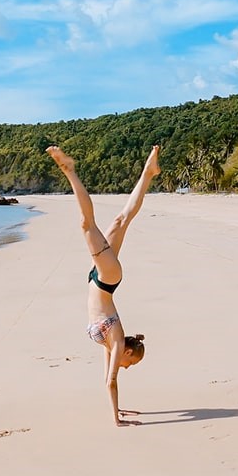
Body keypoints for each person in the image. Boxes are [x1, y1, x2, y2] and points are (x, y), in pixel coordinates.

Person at [46, 144, 160, 426]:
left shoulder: (112, 345)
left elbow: (105, 380)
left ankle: (148, 173)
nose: (126, 366)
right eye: (130, 363)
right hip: (107, 278)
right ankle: (70, 171)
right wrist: (116, 420)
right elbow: (111, 382)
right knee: (87, 225)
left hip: (101, 278)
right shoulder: (118, 343)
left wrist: (117, 410)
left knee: (121, 219)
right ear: (129, 353)